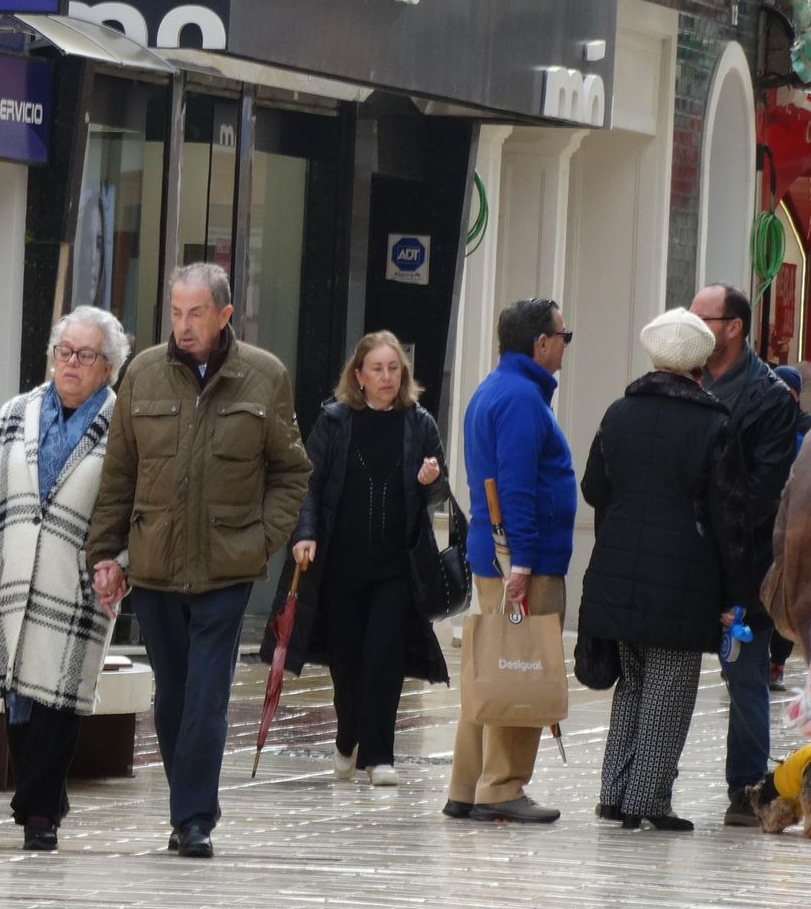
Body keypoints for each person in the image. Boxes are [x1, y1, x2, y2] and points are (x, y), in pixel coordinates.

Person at [87, 262, 311, 859]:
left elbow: (292, 472)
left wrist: (262, 540)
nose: (183, 326)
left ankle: (193, 819)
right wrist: (105, 553)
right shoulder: (143, 373)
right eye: (176, 312)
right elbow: (120, 474)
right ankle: (187, 806)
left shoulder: (264, 376)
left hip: (225, 568)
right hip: (156, 564)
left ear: (224, 315)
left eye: (196, 314)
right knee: (175, 697)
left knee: (208, 696)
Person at [0, 306, 128, 851]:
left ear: (108, 365)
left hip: (77, 586)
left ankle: (40, 812)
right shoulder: (17, 412)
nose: (69, 363)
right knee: (19, 702)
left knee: (58, 704)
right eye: (63, 351)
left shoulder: (121, 426)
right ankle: (40, 799)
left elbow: (135, 504)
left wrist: (123, 563)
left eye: (84, 355)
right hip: (14, 579)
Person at [579, 309, 751, 832]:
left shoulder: (618, 413)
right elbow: (729, 516)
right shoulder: (714, 424)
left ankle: (614, 792)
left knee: (631, 684)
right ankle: (648, 800)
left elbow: (593, 488)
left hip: (617, 566)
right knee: (669, 692)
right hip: (684, 577)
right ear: (699, 364)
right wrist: (733, 592)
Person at [286, 331, 450, 789]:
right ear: (358, 376)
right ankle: (347, 737)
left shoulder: (419, 424)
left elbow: (438, 493)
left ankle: (380, 755)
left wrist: (429, 480)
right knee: (347, 663)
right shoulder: (335, 423)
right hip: (341, 567)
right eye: (376, 369)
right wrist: (305, 534)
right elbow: (309, 486)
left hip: (397, 569)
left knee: (384, 659)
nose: (386, 377)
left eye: (393, 368)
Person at [444, 298, 576, 824]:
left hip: (496, 555)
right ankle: (502, 786)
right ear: (540, 343)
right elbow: (516, 486)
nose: (566, 345)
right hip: (525, 562)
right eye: (564, 336)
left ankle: (466, 784)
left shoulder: (494, 389)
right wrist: (521, 563)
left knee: (491, 669)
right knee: (522, 667)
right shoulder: (523, 399)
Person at [690, 284, 800, 825]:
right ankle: (639, 782)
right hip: (685, 557)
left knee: (745, 673)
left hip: (742, 563)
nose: (692, 328)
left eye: (702, 318)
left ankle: (747, 786)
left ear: (733, 327)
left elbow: (762, 494)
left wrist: (707, 526)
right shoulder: (683, 380)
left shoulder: (771, 397)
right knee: (662, 670)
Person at [768, 364, 809, 691]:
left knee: (788, 595)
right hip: (775, 524)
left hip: (794, 532)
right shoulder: (772, 425)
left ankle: (776, 663)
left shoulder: (803, 432)